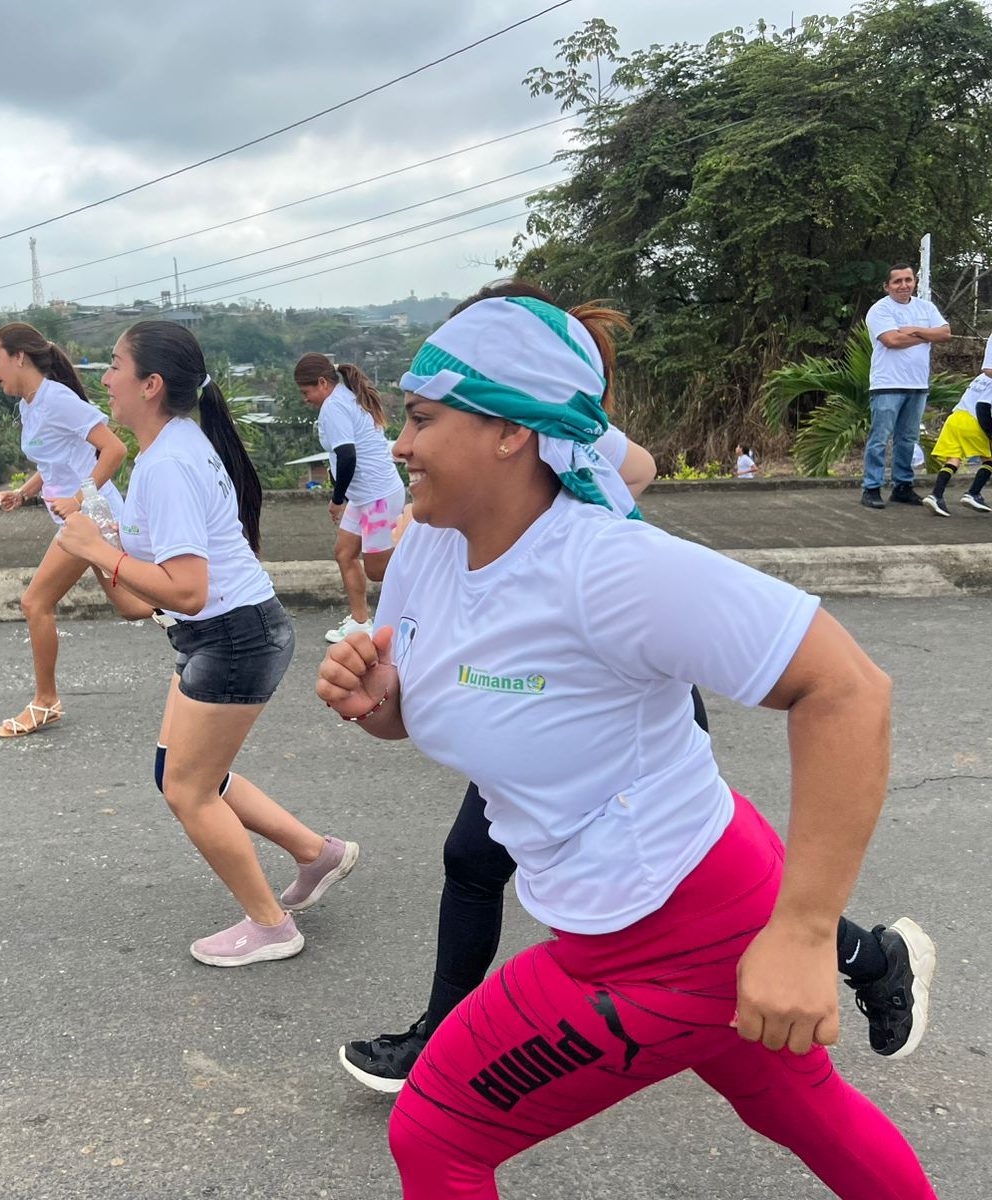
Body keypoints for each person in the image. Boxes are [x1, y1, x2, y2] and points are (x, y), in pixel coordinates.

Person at [318, 296, 936, 1198]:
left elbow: (848, 690)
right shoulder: (427, 550)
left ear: (510, 434)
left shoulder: (606, 567)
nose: (399, 445)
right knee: (798, 1107)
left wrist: (804, 935)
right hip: (689, 890)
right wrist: (380, 704)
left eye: (421, 419)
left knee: (437, 1134)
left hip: (670, 931)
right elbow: (424, 710)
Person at [57, 320, 358, 966]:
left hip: (231, 637)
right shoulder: (176, 445)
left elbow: (187, 589)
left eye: (114, 365)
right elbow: (147, 599)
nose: (105, 377)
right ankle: (317, 852)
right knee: (187, 774)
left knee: (188, 789)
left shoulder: (167, 463)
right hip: (223, 632)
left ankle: (272, 926)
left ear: (151, 383)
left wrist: (96, 553)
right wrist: (105, 551)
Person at [0, 322, 128, 738]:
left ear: (19, 357)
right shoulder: (30, 404)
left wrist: (80, 500)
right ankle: (206, 612)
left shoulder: (57, 399)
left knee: (35, 602)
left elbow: (114, 449)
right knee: (136, 606)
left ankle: (46, 701)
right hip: (78, 519)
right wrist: (26, 491)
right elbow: (56, 460)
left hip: (89, 519)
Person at [294, 354, 406, 643]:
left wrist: (337, 498)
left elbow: (346, 455)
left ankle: (424, 601)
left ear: (322, 382)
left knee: (378, 571)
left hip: (377, 497)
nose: (305, 399)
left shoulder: (334, 407)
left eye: (306, 392)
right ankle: (360, 622)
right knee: (344, 553)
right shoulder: (346, 397)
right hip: (366, 496)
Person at [861, 263, 950, 509]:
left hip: (917, 384)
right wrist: (926, 335)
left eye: (908, 280)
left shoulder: (926, 308)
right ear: (887, 286)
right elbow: (891, 340)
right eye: (897, 281)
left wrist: (915, 330)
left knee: (907, 438)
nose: (904, 285)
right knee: (880, 438)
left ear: (915, 282)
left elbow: (945, 334)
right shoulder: (880, 310)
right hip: (887, 384)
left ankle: (902, 486)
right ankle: (871, 487)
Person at [923, 335, 992, 516]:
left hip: (955, 418)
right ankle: (973, 493)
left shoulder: (981, 378)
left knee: (953, 460)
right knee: (990, 460)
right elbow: (983, 407)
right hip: (974, 420)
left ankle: (936, 495)